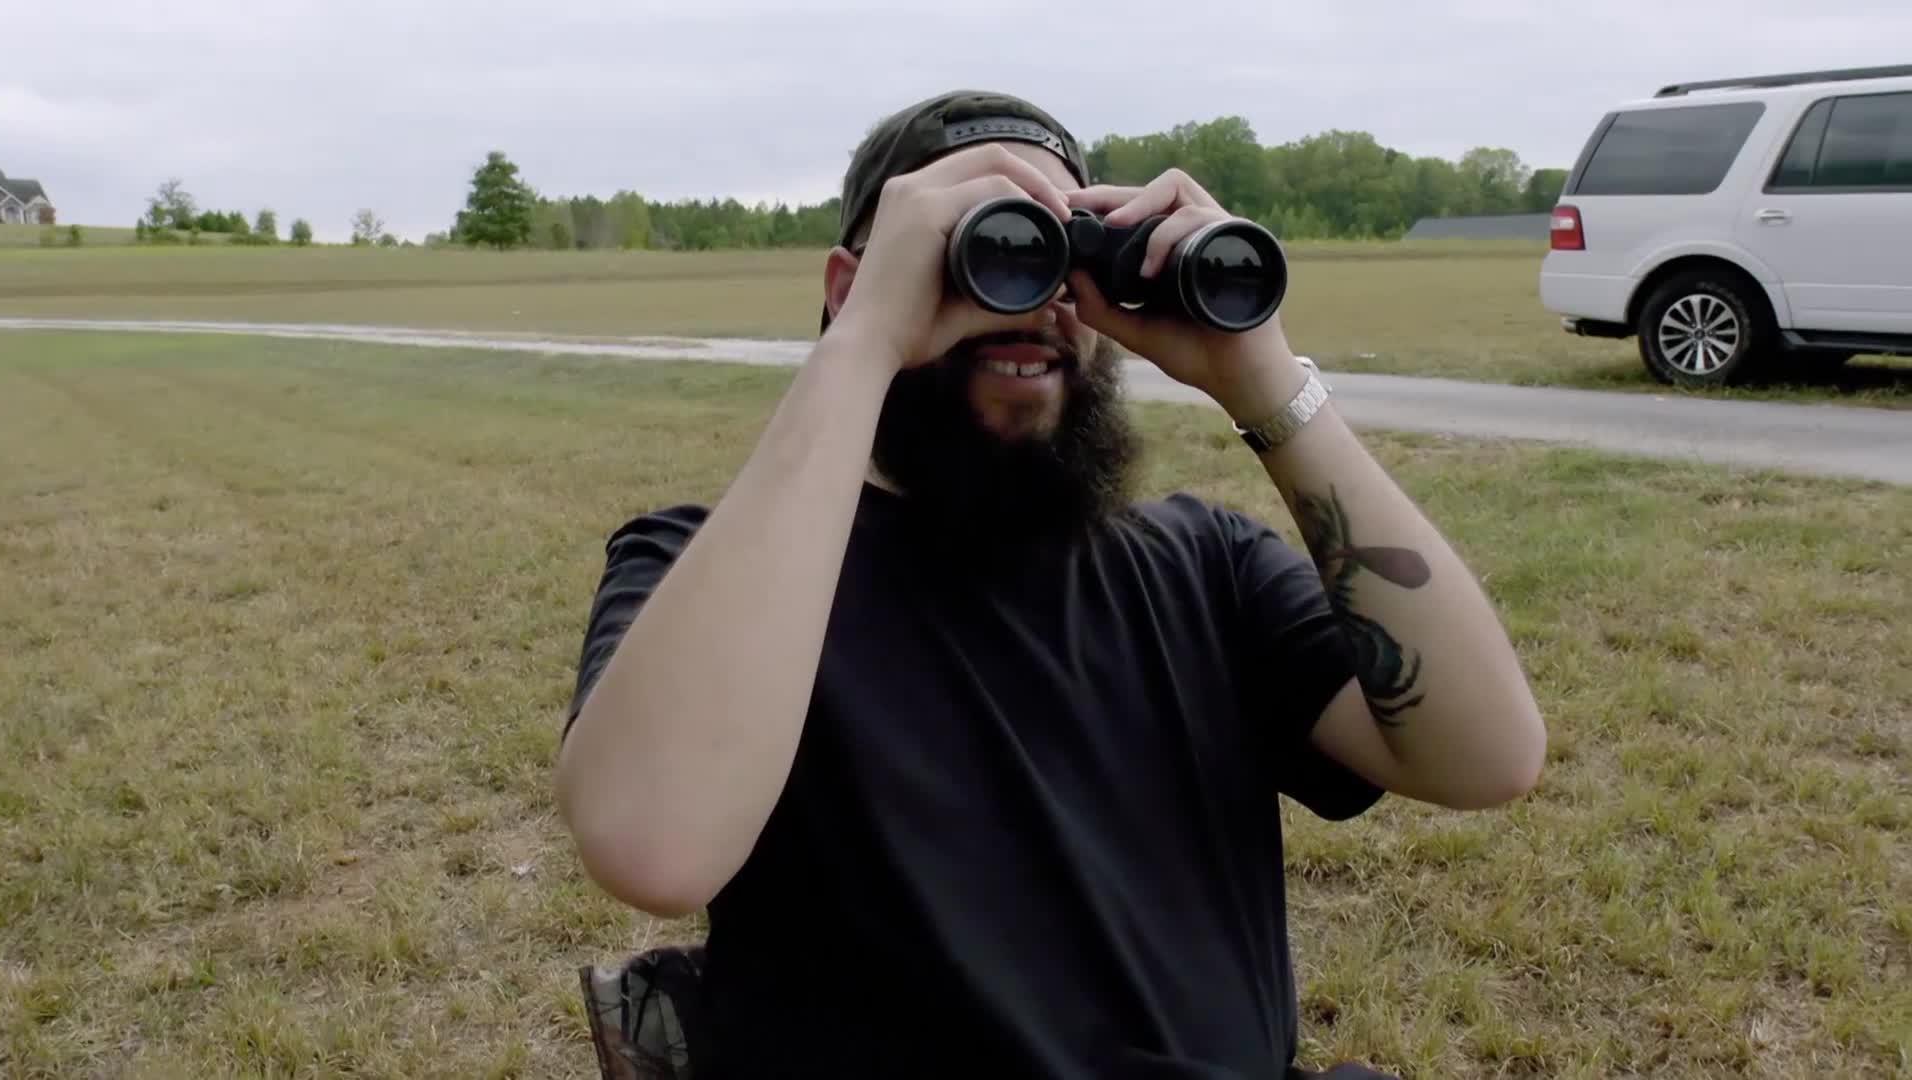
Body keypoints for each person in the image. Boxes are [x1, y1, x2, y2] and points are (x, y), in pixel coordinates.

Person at [555, 89, 1546, 1080]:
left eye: (1068, 252)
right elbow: (654, 845)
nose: (1038, 297)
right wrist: (861, 341)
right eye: (985, 246)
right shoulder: (714, 573)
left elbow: (1486, 756)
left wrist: (1263, 377)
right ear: (854, 282)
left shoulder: (1203, 567)